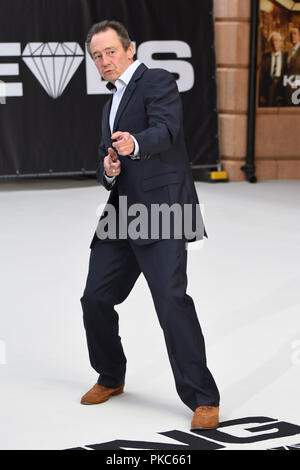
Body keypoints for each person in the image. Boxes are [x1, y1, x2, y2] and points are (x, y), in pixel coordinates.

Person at [80, 20, 220, 430]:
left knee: (171, 302)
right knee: (94, 299)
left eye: (110, 52)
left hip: (162, 211)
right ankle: (111, 375)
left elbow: (166, 130)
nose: (104, 61)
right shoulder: (109, 105)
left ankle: (204, 398)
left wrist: (135, 143)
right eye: (97, 56)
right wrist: (108, 167)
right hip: (122, 214)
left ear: (129, 50)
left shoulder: (156, 80)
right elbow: (106, 161)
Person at [259, 32, 288, 107]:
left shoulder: (286, 56)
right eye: (272, 41)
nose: (274, 43)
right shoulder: (265, 57)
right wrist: (261, 94)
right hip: (268, 86)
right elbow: (261, 76)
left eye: (276, 40)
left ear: (281, 42)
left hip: (281, 85)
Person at [286, 27, 300, 105]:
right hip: (289, 91)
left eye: (295, 34)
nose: (292, 36)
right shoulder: (290, 52)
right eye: (291, 34)